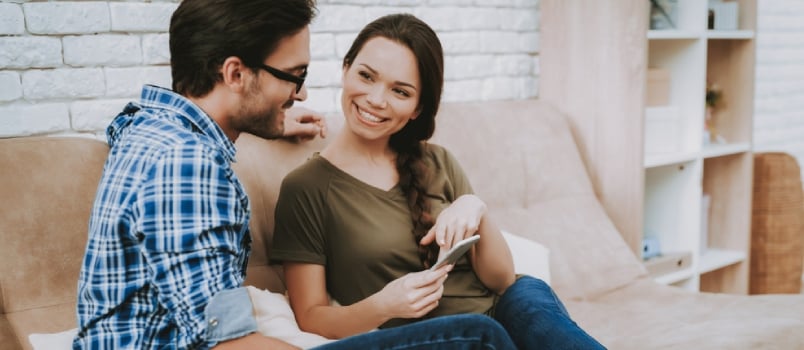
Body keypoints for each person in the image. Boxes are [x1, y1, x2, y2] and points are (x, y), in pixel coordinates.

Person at [73, 0, 518, 349]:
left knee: (521, 299)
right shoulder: (187, 168)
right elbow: (223, 342)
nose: (301, 93)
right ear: (235, 73)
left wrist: (265, 117)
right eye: (293, 76)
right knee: (478, 337)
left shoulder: (150, 128)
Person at [271, 13, 607, 350]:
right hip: (453, 338)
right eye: (366, 76)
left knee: (529, 301)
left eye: (400, 91)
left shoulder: (437, 161)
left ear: (417, 108)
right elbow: (311, 317)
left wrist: (474, 207)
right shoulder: (307, 188)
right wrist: (383, 305)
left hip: (508, 308)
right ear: (345, 69)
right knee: (482, 333)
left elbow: (502, 280)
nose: (376, 99)